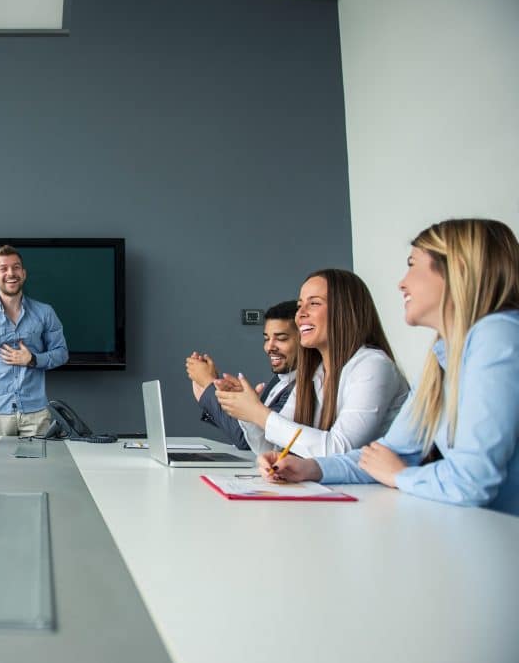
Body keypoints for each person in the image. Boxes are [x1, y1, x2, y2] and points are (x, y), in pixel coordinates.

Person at [262, 219, 519, 515]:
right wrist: (310, 468)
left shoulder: (498, 335)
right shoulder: (442, 359)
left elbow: (471, 481)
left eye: (412, 265)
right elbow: (386, 455)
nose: (402, 283)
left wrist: (400, 475)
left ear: (457, 270)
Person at [216, 269, 409, 457]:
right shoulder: (315, 373)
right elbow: (274, 450)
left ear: (345, 311)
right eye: (300, 305)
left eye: (314, 303)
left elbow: (340, 450)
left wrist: (258, 413)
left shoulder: (373, 365)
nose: (300, 314)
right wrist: (248, 414)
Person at [0, 245, 69, 437]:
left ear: (23, 274)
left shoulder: (45, 313)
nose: (11, 273)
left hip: (36, 415)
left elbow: (61, 353)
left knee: (39, 459)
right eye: (3, 268)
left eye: (16, 267)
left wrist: (32, 359)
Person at [186, 300, 299, 450]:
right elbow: (253, 433)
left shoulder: (302, 388)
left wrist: (209, 386)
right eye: (266, 339)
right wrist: (234, 400)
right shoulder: (279, 379)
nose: (269, 347)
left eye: (281, 339)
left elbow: (247, 441)